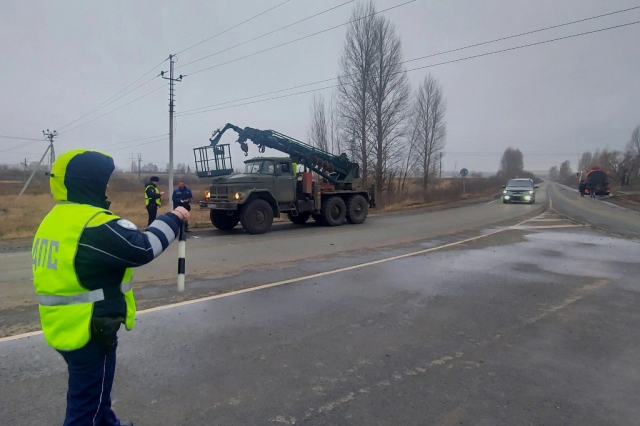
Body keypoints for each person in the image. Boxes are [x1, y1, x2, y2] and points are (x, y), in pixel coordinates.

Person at [32, 149, 190, 426]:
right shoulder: (93, 224)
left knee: (94, 393)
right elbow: (142, 248)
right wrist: (173, 217)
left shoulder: (55, 219)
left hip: (63, 325)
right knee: (85, 410)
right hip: (91, 329)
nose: (107, 186)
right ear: (89, 182)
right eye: (104, 180)